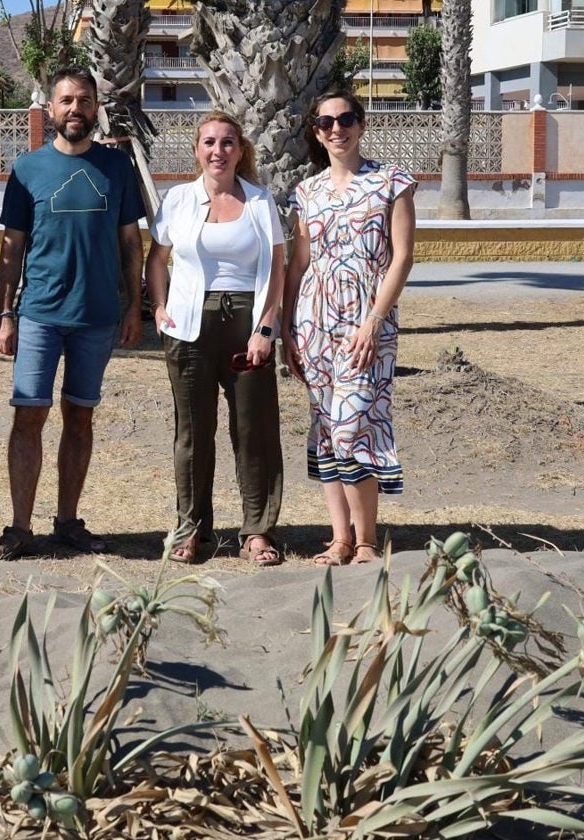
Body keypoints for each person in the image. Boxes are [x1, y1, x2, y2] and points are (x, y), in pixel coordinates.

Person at [0, 66, 145, 560]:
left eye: (84, 100)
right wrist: (7, 315)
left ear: (96, 107)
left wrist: (134, 306)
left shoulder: (117, 168)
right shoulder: (27, 169)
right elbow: (12, 248)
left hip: (96, 317)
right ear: (51, 109)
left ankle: (68, 522)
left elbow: (130, 243)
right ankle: (18, 527)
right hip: (38, 315)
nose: (75, 109)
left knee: (80, 417)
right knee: (29, 415)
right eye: (66, 101)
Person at [145, 111, 286, 566]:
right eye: (209, 142)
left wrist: (265, 329)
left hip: (247, 324)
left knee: (254, 429)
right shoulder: (179, 200)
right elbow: (157, 259)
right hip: (189, 327)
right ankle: (191, 530)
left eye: (227, 143)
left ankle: (257, 531)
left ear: (240, 150)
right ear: (196, 151)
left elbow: (277, 268)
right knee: (193, 431)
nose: (218, 151)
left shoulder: (262, 202)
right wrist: (160, 309)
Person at [282, 90, 417, 566]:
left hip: (367, 323)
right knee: (325, 425)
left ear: (361, 124)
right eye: (325, 122)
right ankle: (340, 539)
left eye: (345, 119)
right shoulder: (308, 191)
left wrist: (375, 320)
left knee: (352, 425)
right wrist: (285, 330)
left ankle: (365, 540)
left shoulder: (391, 182)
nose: (336, 129)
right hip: (313, 323)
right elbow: (297, 264)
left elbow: (402, 258)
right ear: (315, 132)